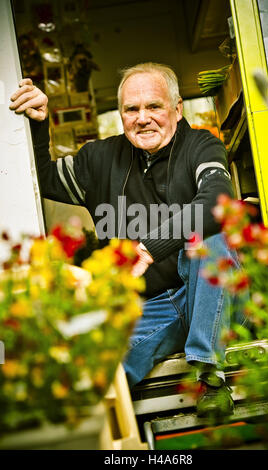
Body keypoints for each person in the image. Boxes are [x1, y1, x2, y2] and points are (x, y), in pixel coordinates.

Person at [10, 62, 244, 416]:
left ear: (178, 109)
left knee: (209, 235)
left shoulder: (200, 145)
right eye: (131, 109)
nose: (142, 118)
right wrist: (39, 123)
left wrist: (150, 249)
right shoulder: (99, 159)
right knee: (96, 376)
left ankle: (210, 373)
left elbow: (218, 202)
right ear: (121, 115)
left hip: (211, 294)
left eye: (154, 106)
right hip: (149, 308)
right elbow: (40, 177)